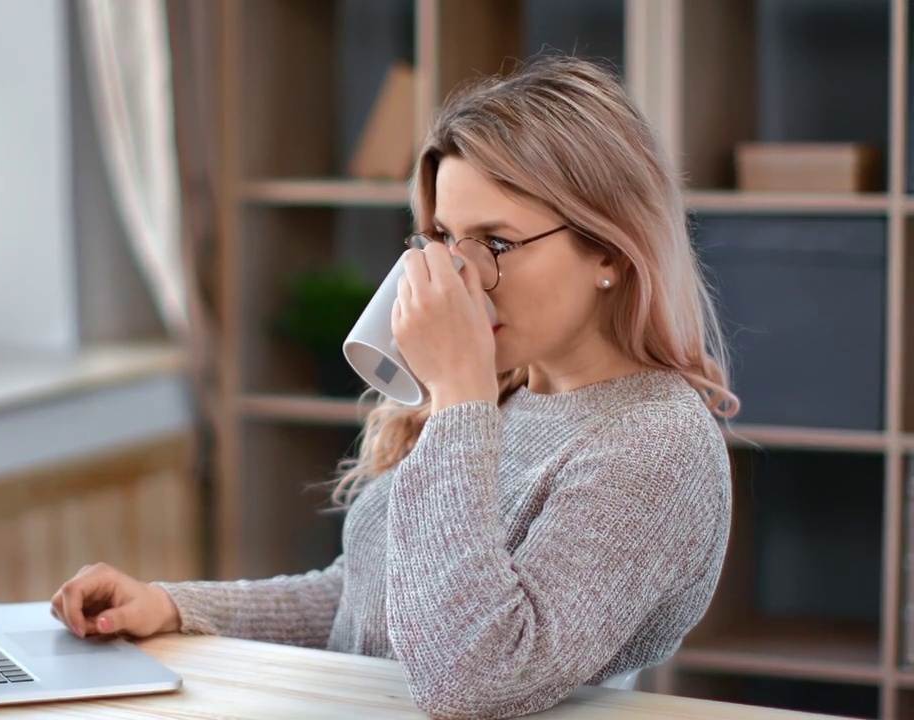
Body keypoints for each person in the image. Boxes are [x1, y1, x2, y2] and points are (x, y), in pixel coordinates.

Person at [51, 54, 738, 720]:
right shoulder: (504, 392)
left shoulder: (655, 447)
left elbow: (471, 680)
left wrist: (460, 397)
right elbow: (366, 599)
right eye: (442, 237)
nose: (460, 275)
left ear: (610, 252)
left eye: (494, 244)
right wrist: (174, 607)